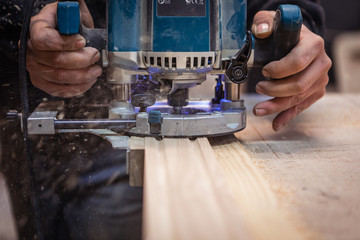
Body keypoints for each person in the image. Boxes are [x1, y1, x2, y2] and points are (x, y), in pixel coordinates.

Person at [0, 0, 331, 239]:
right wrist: (28, 37)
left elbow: (286, 11)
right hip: (78, 138)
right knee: (97, 217)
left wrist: (291, 36)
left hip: (124, 101)